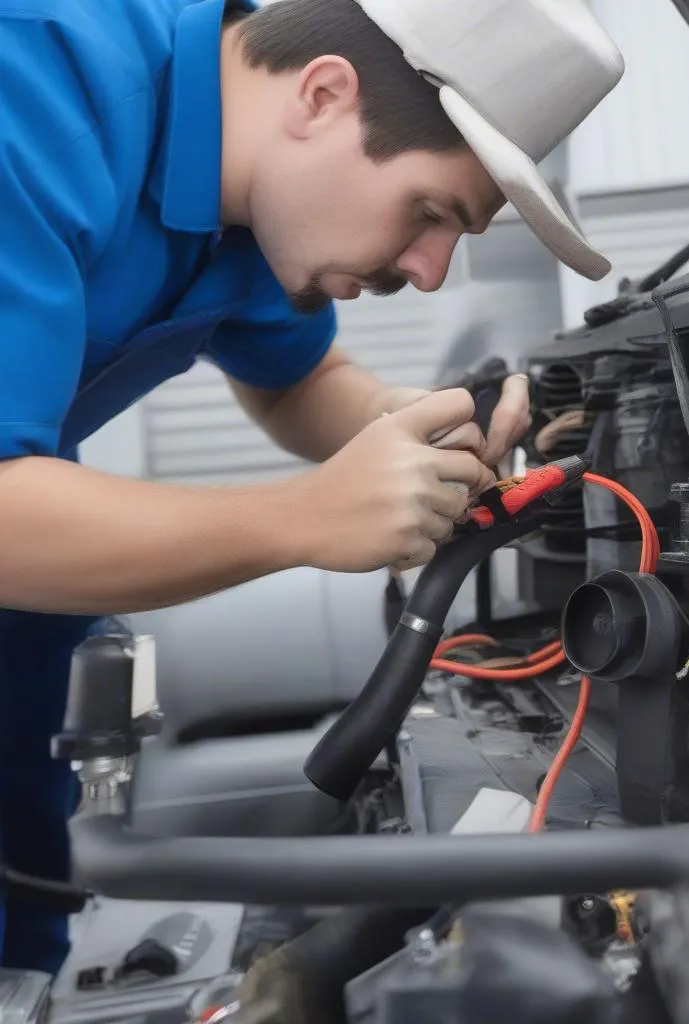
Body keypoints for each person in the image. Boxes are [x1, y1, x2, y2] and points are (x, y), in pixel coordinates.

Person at [0, 0, 624, 975]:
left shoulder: (249, 189)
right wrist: (303, 518)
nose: (428, 273)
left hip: (29, 599)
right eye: (429, 213)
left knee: (25, 945)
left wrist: (415, 427)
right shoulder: (33, 83)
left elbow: (299, 381)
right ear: (324, 94)